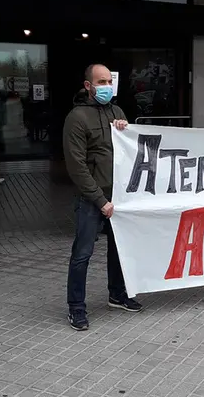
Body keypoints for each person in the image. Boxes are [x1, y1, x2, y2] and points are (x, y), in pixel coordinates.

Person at [63, 64, 142, 331]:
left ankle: (117, 295)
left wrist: (124, 129)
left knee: (119, 250)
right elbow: (77, 166)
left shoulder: (117, 112)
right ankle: (76, 307)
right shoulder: (76, 118)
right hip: (92, 199)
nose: (107, 86)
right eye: (101, 82)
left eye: (109, 81)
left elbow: (128, 151)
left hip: (117, 195)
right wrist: (100, 201)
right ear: (88, 86)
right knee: (82, 254)